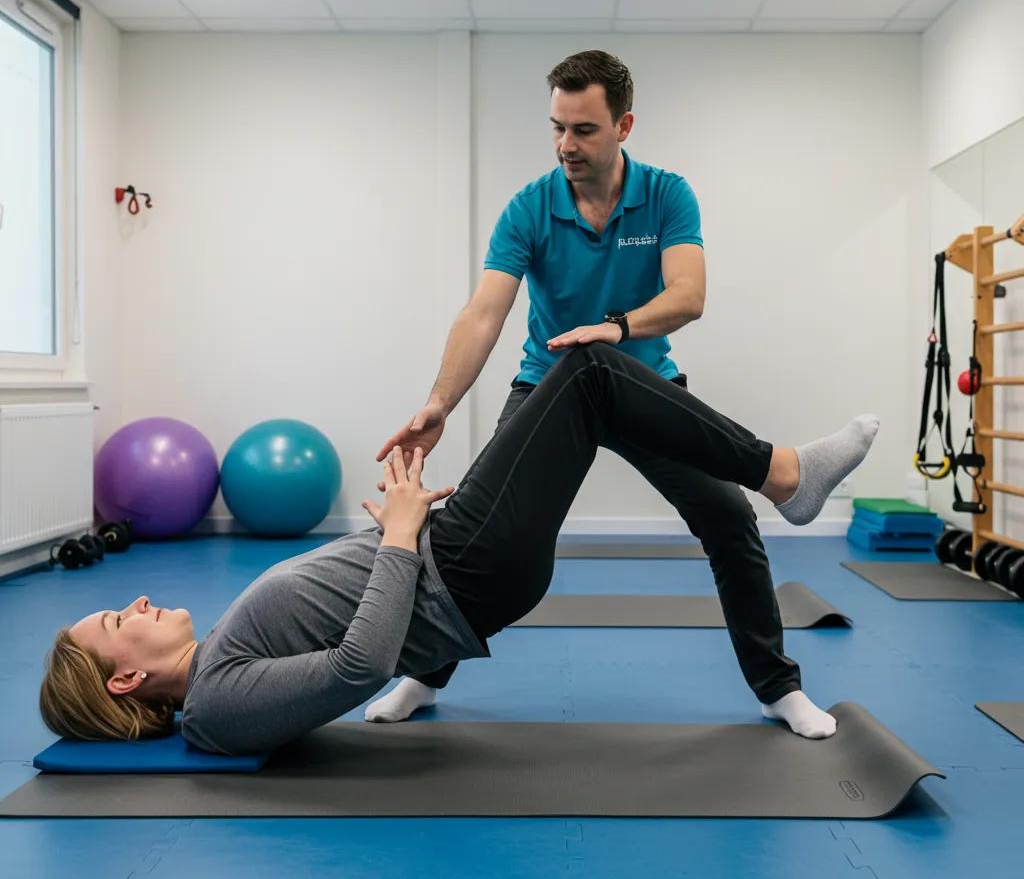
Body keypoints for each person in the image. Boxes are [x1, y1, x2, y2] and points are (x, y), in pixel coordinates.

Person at [40, 340, 879, 755]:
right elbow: (357, 667)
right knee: (590, 372)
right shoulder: (218, 709)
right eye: (118, 619)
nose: (136, 602)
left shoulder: (218, 667)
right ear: (125, 680)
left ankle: (776, 491)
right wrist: (402, 537)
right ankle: (784, 476)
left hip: (448, 556)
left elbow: (345, 622)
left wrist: (397, 525)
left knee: (598, 385)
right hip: (463, 569)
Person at [371, 50, 839, 738]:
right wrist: (440, 401)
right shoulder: (530, 207)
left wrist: (616, 328)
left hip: (648, 390)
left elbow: (689, 295)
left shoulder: (666, 194)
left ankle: (778, 688)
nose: (566, 144)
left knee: (729, 521)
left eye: (584, 129)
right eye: (557, 127)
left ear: (624, 126)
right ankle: (425, 674)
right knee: (479, 541)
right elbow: (483, 313)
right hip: (545, 389)